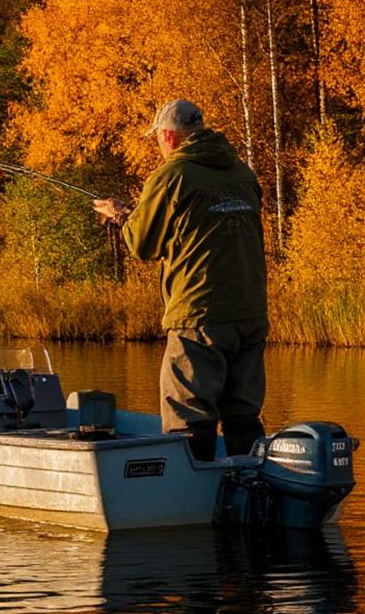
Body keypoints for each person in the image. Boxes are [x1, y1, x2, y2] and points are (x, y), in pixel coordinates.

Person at [93, 100, 268, 461]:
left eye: (157, 137)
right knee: (242, 416)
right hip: (250, 315)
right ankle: (253, 485)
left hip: (198, 317)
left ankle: (190, 497)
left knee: (187, 416)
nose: (158, 144)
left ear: (169, 136)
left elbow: (143, 245)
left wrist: (122, 215)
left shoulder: (172, 176)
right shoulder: (242, 173)